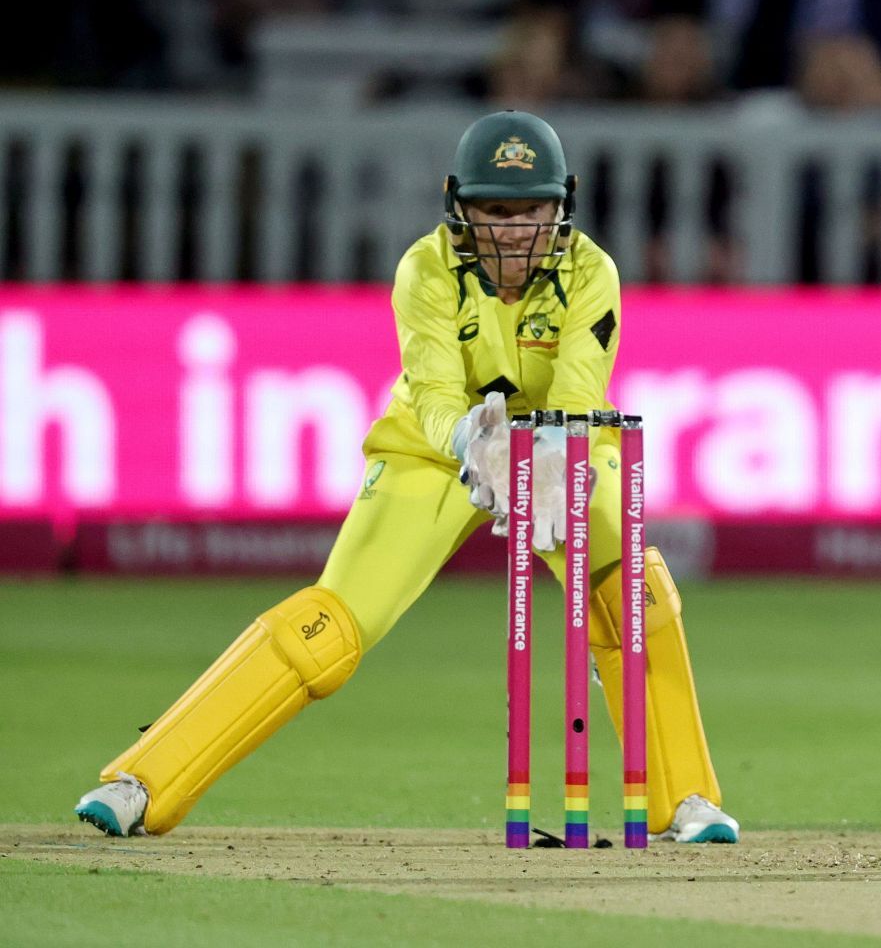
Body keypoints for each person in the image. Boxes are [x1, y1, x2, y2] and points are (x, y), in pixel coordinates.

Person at [75, 111, 739, 846]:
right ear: (459, 206)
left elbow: (580, 390)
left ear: (562, 206)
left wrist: (548, 464)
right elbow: (432, 392)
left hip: (562, 449)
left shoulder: (592, 271)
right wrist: (473, 445)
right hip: (435, 452)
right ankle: (143, 781)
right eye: (494, 210)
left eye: (530, 211)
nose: (513, 231)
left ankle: (687, 801)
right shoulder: (425, 269)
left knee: (633, 594)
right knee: (328, 628)